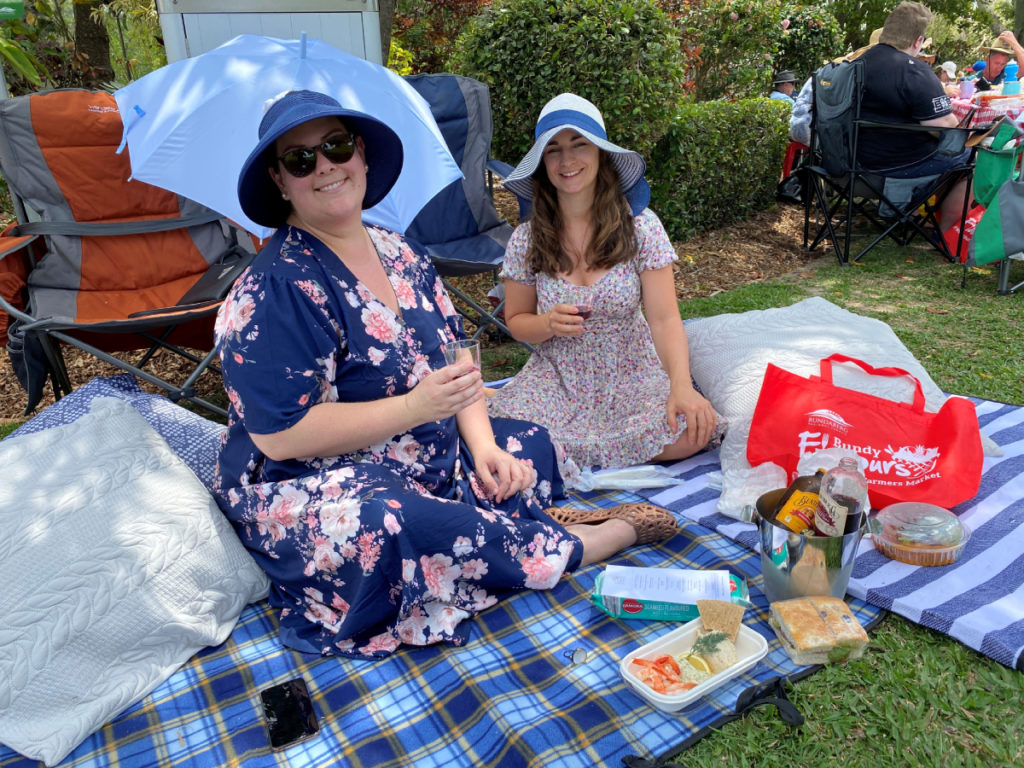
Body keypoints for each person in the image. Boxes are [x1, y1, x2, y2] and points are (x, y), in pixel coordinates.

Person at [212, 90, 677, 658]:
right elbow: (279, 434)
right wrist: (413, 410)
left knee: (526, 441)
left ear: (360, 154)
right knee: (390, 522)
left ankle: (492, 522)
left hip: (415, 452)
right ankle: (577, 543)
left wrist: (481, 445)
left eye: (336, 147)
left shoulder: (400, 252)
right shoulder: (273, 289)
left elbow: (458, 359)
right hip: (317, 482)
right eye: (301, 159)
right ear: (280, 181)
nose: (326, 167)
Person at [486, 93, 721, 473]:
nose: (567, 161)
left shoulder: (641, 228)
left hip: (631, 374)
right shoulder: (527, 239)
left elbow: (664, 319)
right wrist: (546, 324)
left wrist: (681, 385)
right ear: (542, 162)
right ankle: (568, 445)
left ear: (601, 154)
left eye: (580, 145)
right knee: (499, 432)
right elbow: (516, 320)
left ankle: (567, 454)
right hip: (559, 377)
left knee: (689, 432)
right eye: (554, 150)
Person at [855, 1, 970, 227]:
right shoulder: (914, 70)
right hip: (895, 168)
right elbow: (946, 130)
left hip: (852, 166)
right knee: (970, 159)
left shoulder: (856, 63)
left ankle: (912, 213)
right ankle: (943, 232)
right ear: (918, 41)